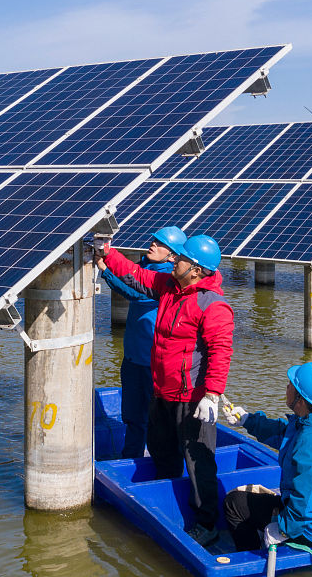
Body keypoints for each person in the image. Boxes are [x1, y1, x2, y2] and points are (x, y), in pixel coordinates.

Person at [94, 234, 233, 547]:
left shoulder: (213, 306)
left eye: (180, 259)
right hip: (163, 393)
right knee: (161, 450)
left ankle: (207, 523)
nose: (174, 260)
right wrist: (108, 252)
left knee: (198, 462)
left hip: (193, 400)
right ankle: (167, 506)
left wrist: (212, 394)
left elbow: (221, 351)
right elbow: (137, 275)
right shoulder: (169, 287)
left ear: (196, 269)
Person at [223, 362, 312, 552]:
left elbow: (306, 502)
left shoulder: (311, 442)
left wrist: (282, 530)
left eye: (291, 385)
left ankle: (252, 560)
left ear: (301, 400)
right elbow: (284, 433)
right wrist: (248, 420)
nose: (287, 387)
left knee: (234, 504)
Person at [100, 226, 187, 458]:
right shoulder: (144, 265)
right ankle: (132, 458)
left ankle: (156, 461)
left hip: (153, 361)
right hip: (132, 357)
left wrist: (105, 271)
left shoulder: (169, 279)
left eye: (160, 244)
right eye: (153, 240)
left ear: (172, 255)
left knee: (154, 417)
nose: (152, 245)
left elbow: (137, 293)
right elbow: (131, 284)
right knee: (132, 415)